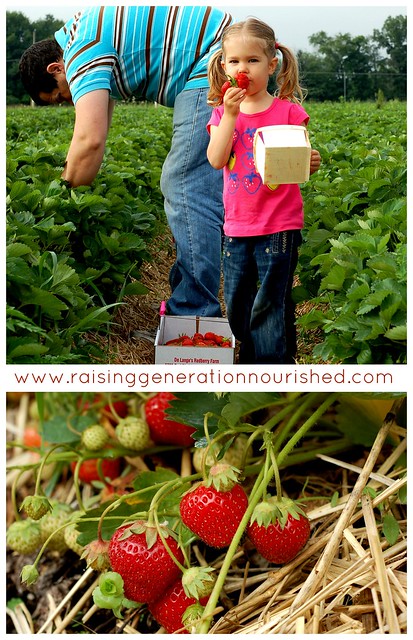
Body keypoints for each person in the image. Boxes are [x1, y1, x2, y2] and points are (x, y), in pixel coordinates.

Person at [19, 6, 233, 318]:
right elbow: (94, 139)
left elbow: (89, 141)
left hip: (211, 58)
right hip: (216, 50)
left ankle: (193, 312)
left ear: (56, 69)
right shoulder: (82, 34)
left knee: (186, 185)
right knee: (196, 185)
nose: (69, 101)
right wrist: (72, 175)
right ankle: (193, 298)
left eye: (60, 97)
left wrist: (58, 200)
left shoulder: (79, 53)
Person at [207, 18, 321, 364]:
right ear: (225, 66)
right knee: (238, 298)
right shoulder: (221, 114)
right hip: (238, 226)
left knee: (273, 299)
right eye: (236, 61)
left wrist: (310, 160)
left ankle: (272, 365)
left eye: (253, 61)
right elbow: (215, 159)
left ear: (271, 65)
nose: (244, 68)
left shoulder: (288, 112)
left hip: (279, 224)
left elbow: (300, 160)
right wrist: (229, 114)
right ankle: (251, 349)